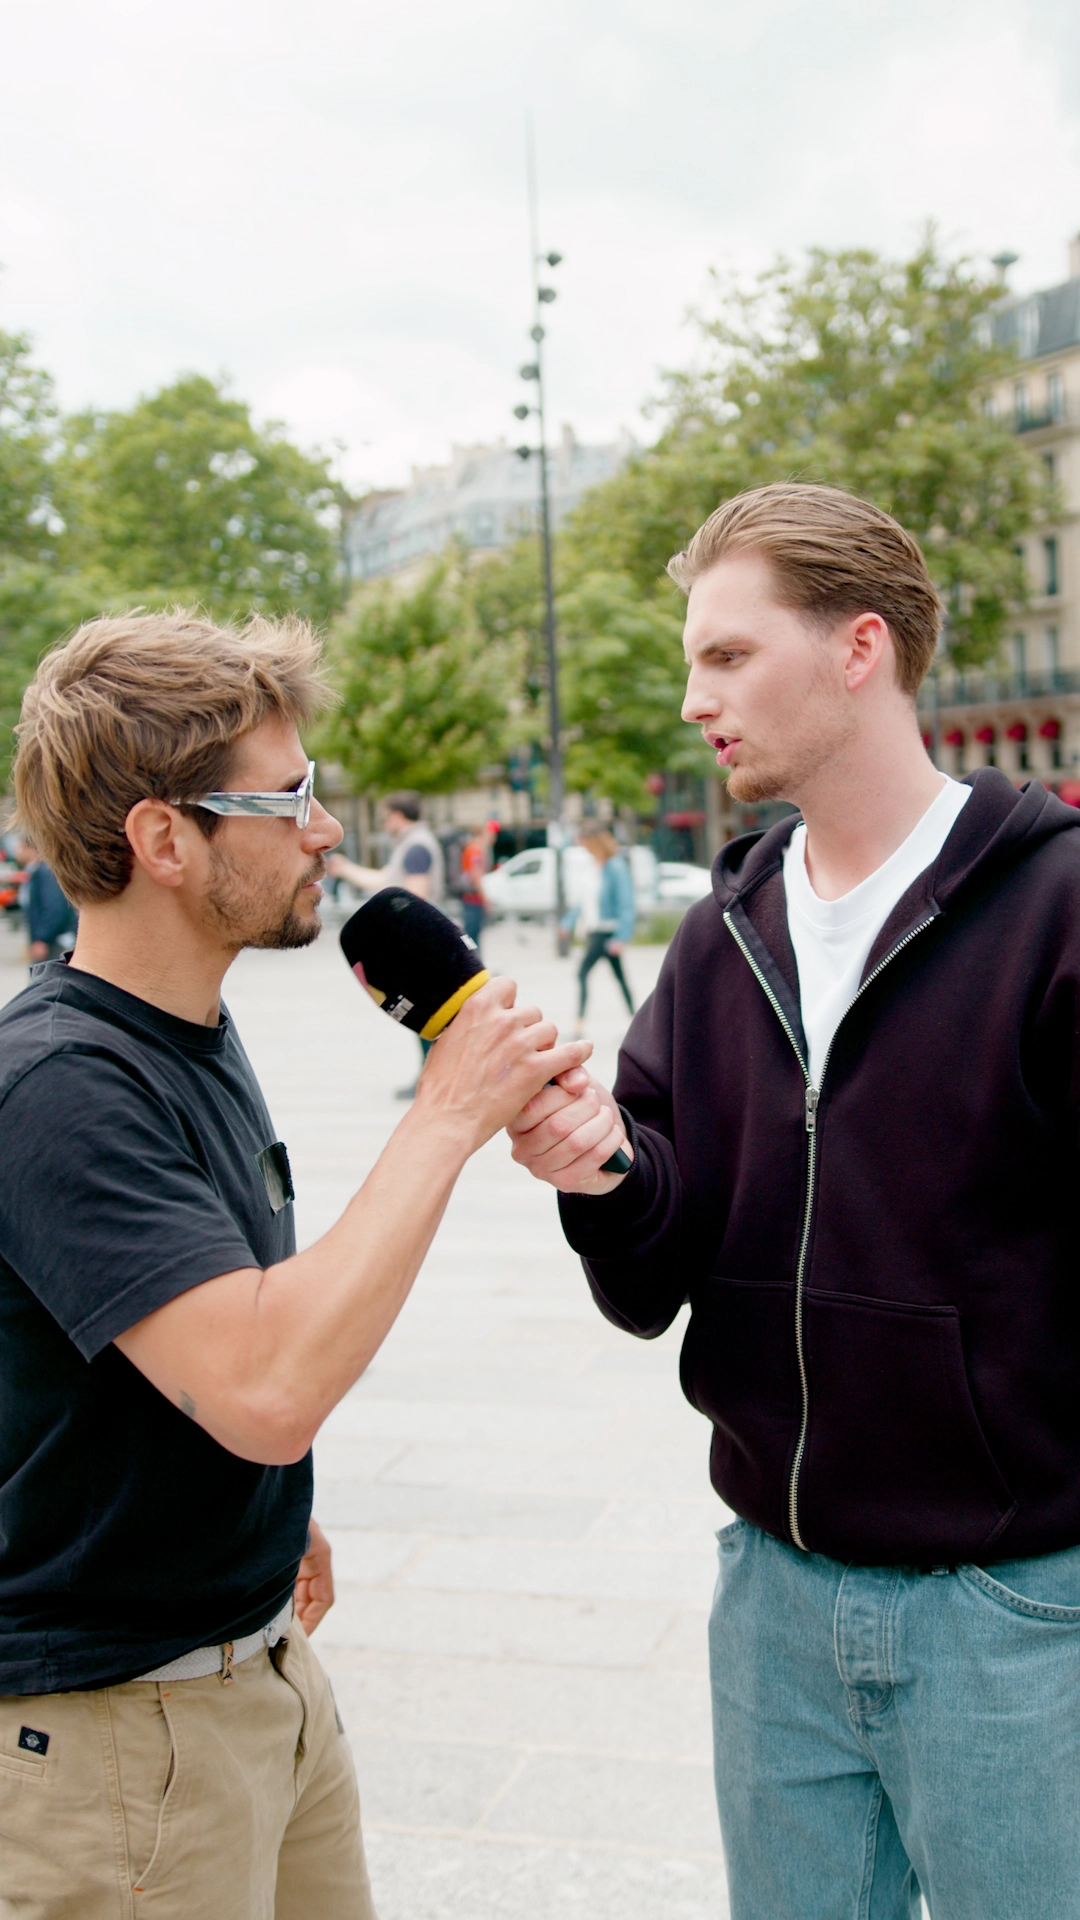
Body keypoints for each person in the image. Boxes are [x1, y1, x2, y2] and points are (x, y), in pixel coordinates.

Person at [506, 483, 1080, 1920]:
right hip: (771, 1601)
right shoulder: (721, 938)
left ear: (859, 649)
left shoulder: (1059, 910)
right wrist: (602, 1172)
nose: (696, 696)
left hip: (1017, 1616)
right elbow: (655, 1264)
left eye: (727, 655)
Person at [0, 610, 587, 1920]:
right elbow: (264, 1388)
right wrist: (447, 1111)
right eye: (289, 796)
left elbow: (180, 1351)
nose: (324, 827)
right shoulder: (59, 1088)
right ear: (165, 839)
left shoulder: (186, 1033)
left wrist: (256, 1518)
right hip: (119, 1736)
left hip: (256, 1669)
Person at [328, 793, 447, 1096]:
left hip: (422, 944)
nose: (384, 822)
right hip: (423, 942)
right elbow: (384, 880)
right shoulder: (411, 844)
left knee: (428, 1017)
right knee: (427, 1017)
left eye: (385, 816)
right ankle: (431, 1079)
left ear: (397, 816)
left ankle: (432, 1082)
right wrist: (346, 870)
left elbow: (415, 895)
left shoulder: (417, 846)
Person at [566, 828, 635, 1033]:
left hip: (607, 933)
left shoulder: (615, 866)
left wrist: (621, 937)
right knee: (620, 978)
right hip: (594, 931)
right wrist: (567, 922)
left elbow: (626, 903)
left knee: (582, 973)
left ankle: (578, 1024)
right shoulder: (594, 867)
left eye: (584, 841)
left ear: (593, 841)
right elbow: (584, 902)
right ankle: (636, 1022)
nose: (582, 846)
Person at [15, 832, 78, 962]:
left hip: (53, 943)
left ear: (31, 848)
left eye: (20, 847)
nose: (17, 852)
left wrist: (43, 938)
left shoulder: (45, 872)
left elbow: (54, 907)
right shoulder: (35, 872)